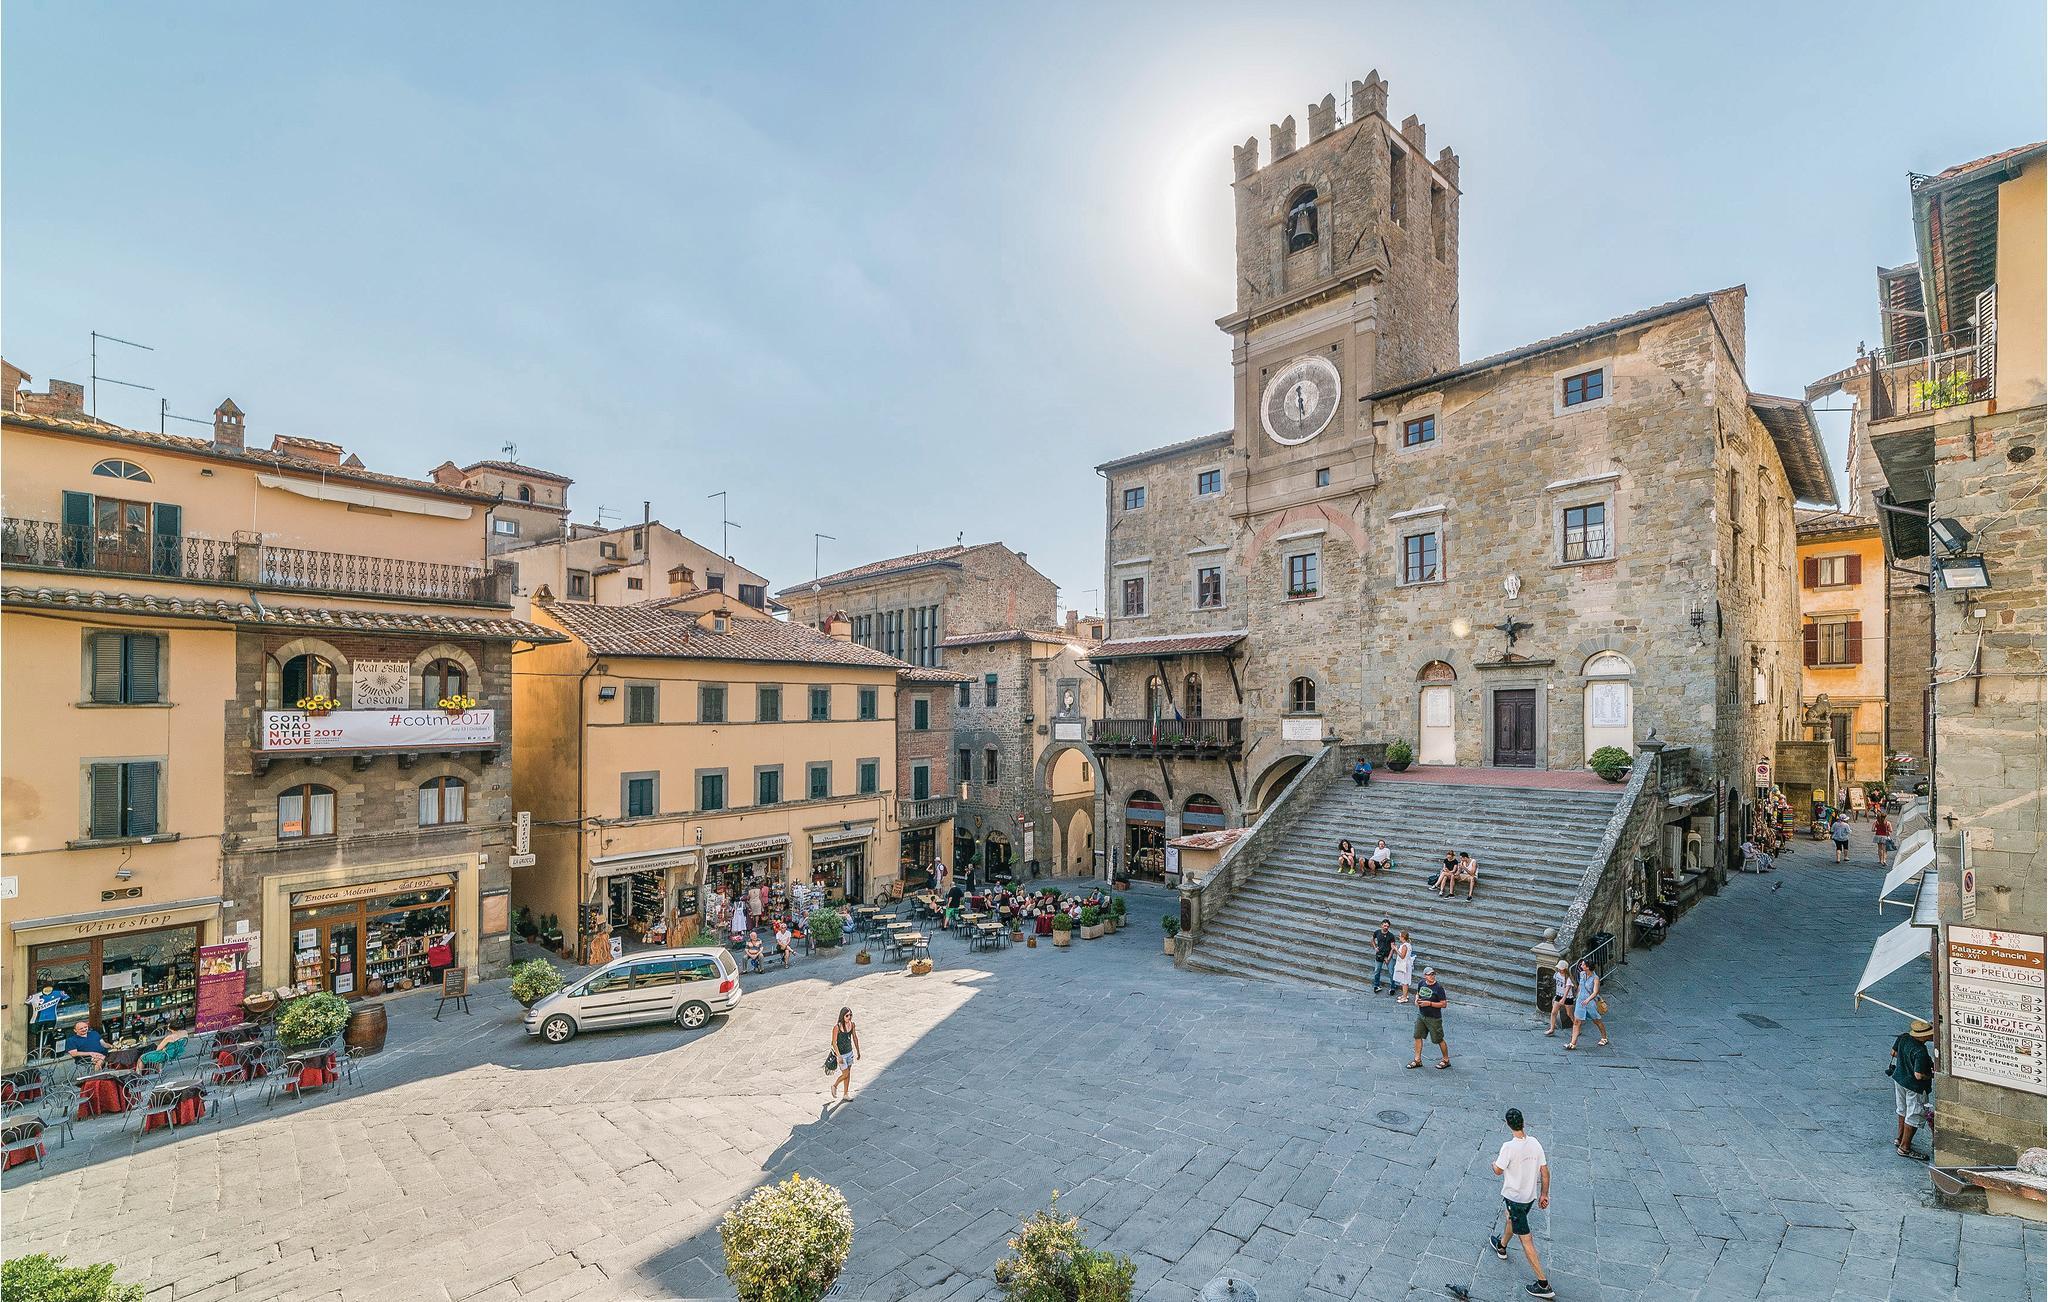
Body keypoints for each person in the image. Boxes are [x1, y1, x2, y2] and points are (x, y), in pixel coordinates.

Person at [1489, 1107, 1555, 1299]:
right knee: (1510, 1218)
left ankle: (1543, 1283)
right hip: (1529, 1198)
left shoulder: (1508, 1147)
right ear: (1523, 1122)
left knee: (1526, 1239)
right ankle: (1501, 1246)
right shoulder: (1535, 1143)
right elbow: (1545, 1171)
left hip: (1515, 1198)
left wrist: (1493, 1164)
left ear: (1508, 1124)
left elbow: (1498, 1170)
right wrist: (1544, 1194)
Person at [1889, 1019, 1936, 1158]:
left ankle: (1899, 1138)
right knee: (1914, 1114)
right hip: (1914, 1086)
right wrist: (1931, 1075)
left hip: (1900, 1079)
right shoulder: (1920, 1051)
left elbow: (1893, 1052)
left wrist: (1906, 1060)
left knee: (1902, 1109)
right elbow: (1919, 1075)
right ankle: (1905, 1147)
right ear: (1924, 1036)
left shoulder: (1903, 1037)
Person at [1409, 966, 1450, 1069]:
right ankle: (1417, 1060)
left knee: (1439, 1039)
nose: (1432, 976)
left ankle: (1446, 1060)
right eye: (1429, 974)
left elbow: (1444, 1004)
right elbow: (1418, 994)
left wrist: (1429, 1003)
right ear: (1425, 976)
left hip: (1434, 1018)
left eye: (1433, 974)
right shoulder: (1421, 983)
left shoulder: (1438, 988)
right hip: (1421, 1015)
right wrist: (1416, 999)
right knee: (1417, 1036)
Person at [1566, 958, 1607, 1049]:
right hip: (1580, 1001)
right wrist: (1577, 996)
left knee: (1597, 1021)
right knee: (1576, 1022)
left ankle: (1604, 1038)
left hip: (1590, 1003)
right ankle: (1573, 1043)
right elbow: (1580, 986)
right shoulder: (1582, 974)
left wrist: (1588, 1000)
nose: (1581, 966)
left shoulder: (1595, 979)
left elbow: (1595, 992)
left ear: (1587, 967)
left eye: (1583, 965)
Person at [828, 1006, 862, 1100]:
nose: (849, 1017)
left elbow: (855, 1038)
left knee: (848, 1073)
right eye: (847, 1015)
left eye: (850, 1015)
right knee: (845, 1074)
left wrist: (858, 1051)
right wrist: (839, 1056)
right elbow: (833, 1043)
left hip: (849, 1053)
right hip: (841, 1055)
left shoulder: (852, 1025)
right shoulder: (837, 1027)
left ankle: (845, 1094)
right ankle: (835, 1085)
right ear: (842, 1016)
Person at [1545, 961, 1574, 1037]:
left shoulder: (1568, 978)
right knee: (1553, 1012)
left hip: (1568, 997)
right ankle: (1552, 1029)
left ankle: (1577, 1027)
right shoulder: (1556, 974)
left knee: (1569, 1014)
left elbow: (1567, 989)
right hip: (1558, 995)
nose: (1559, 969)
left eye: (1561, 968)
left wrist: (1563, 999)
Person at [1371, 919, 1396, 994]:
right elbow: (1372, 939)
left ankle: (1392, 987)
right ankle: (1376, 986)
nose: (1386, 927)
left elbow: (1393, 948)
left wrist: (1388, 958)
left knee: (1391, 972)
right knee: (1377, 971)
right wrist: (1375, 947)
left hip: (1388, 955)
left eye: (1387, 926)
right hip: (1379, 955)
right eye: (1385, 926)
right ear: (1381, 925)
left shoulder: (1391, 935)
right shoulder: (1377, 932)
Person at [1393, 931, 1415, 1004]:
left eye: (1400, 936)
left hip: (1404, 965)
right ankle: (1404, 995)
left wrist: (1396, 949)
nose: (1399, 937)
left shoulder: (1404, 946)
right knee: (1404, 981)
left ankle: (1405, 997)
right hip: (1406, 964)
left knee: (1404, 981)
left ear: (1403, 937)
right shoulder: (1407, 944)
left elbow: (1402, 956)